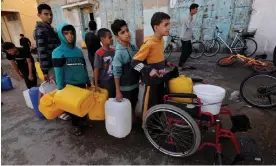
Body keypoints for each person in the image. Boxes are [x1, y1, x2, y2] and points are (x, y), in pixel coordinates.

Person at [52, 24, 91, 136]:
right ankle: (75, 126)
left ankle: (83, 122)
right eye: (66, 33)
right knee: (73, 108)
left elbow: (83, 67)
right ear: (61, 35)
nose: (70, 36)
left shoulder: (78, 51)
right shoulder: (58, 52)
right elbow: (58, 72)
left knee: (84, 104)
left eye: (71, 33)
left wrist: (87, 80)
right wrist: (60, 88)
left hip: (82, 84)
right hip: (70, 86)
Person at [131, 12, 171, 115]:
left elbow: (156, 57)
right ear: (156, 27)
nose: (169, 27)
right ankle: (147, 127)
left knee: (159, 104)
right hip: (150, 84)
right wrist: (149, 70)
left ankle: (157, 125)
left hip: (159, 80)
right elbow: (134, 62)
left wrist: (165, 63)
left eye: (169, 24)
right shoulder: (149, 44)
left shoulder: (161, 40)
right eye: (166, 25)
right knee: (150, 107)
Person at [111, 19, 140, 123]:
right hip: (125, 87)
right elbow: (116, 73)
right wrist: (118, 91)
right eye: (122, 32)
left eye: (127, 30)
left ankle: (133, 119)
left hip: (135, 83)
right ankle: (130, 123)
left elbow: (139, 62)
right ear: (117, 36)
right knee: (128, 106)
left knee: (134, 101)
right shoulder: (118, 53)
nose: (127, 34)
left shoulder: (133, 47)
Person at [33, 3, 60, 82]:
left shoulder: (50, 29)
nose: (49, 17)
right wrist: (45, 71)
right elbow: (41, 52)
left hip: (57, 63)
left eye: (51, 14)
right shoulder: (40, 31)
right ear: (39, 15)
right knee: (57, 87)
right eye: (46, 14)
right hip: (51, 67)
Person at [94, 28, 116, 98]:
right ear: (102, 39)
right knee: (107, 99)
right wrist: (96, 85)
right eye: (109, 37)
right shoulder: (99, 52)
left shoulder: (114, 51)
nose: (112, 39)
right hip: (105, 81)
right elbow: (96, 70)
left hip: (114, 79)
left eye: (111, 37)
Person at [179, 3, 198, 69]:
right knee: (185, 52)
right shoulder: (188, 17)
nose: (196, 11)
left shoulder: (191, 16)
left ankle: (182, 63)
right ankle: (181, 65)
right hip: (184, 37)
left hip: (188, 37)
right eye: (196, 9)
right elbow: (189, 26)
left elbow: (190, 28)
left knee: (189, 51)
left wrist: (192, 35)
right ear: (192, 9)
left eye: (197, 9)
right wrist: (194, 19)